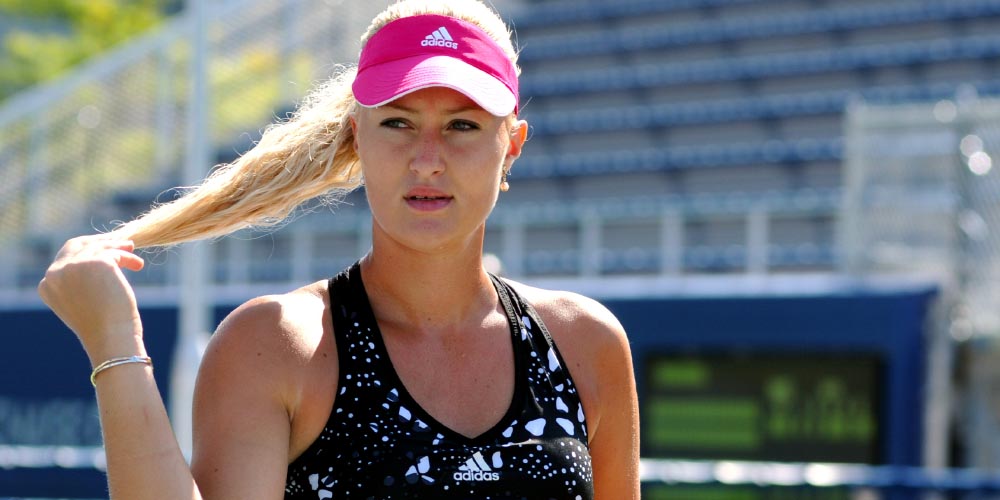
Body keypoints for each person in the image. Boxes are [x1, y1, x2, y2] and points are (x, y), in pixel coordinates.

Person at [37, 0, 640, 498]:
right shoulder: (278, 345)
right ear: (358, 136)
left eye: (463, 125)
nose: (427, 160)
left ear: (511, 145)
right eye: (398, 123)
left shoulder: (585, 344)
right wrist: (115, 344)